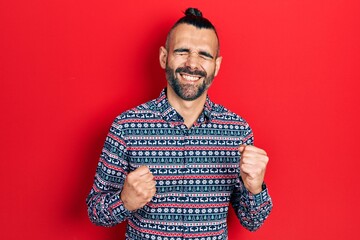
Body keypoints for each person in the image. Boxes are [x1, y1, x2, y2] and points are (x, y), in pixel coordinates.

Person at [86, 7, 273, 240]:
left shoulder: (238, 132)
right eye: (182, 51)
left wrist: (255, 188)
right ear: (164, 57)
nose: (192, 63)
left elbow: (253, 221)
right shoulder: (126, 127)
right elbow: (95, 211)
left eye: (204, 55)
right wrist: (124, 201)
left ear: (217, 65)